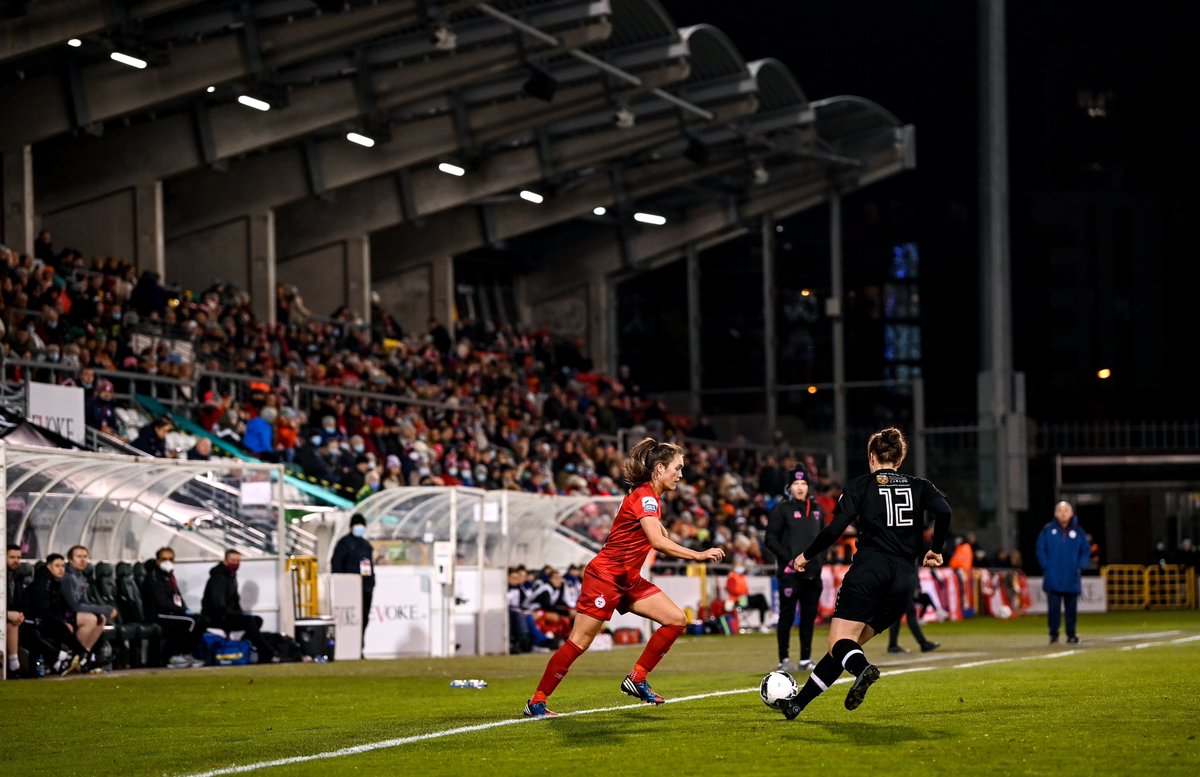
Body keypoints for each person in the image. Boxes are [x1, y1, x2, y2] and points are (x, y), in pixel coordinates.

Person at [523, 438, 726, 718]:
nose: (681, 474)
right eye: (677, 468)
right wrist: (698, 555)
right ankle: (536, 701)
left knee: (676, 620)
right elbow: (656, 541)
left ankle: (638, 678)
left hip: (628, 580)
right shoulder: (646, 497)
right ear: (659, 469)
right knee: (579, 642)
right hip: (604, 578)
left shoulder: (647, 496)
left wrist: (662, 529)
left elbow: (648, 527)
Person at [780, 428, 951, 720]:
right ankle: (797, 704)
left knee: (839, 643)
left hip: (869, 571)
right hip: (903, 580)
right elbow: (944, 511)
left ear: (872, 456)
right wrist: (934, 549)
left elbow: (835, 529)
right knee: (847, 647)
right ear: (901, 457)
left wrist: (805, 556)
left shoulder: (861, 485)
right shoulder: (920, 485)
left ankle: (862, 670)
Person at [765, 471, 826, 672]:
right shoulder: (782, 509)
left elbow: (825, 540)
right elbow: (770, 539)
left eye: (803, 483)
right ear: (789, 487)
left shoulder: (818, 509)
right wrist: (790, 560)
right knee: (787, 617)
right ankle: (784, 659)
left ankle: (805, 659)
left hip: (813, 574)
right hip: (790, 573)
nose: (800, 487)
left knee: (809, 618)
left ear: (809, 487)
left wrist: (819, 561)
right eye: (796, 483)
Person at [1036, 501, 1090, 645]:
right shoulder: (1047, 530)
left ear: (1071, 513)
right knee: (1053, 609)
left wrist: (1080, 566)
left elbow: (1085, 550)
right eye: (1060, 510)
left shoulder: (1078, 531)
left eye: (1066, 510)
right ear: (1055, 513)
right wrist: (1047, 566)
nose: (1063, 513)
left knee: (1071, 610)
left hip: (1072, 577)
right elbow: (1040, 549)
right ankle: (1054, 635)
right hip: (1053, 577)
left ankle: (1071, 635)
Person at [141, 547, 205, 668]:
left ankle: (186, 654)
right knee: (190, 622)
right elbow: (160, 602)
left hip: (171, 612)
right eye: (164, 559)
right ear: (157, 561)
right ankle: (172, 655)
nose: (168, 562)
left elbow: (177, 596)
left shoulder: (169, 576)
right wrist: (182, 610)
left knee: (200, 620)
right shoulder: (153, 577)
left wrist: (185, 608)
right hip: (158, 614)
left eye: (171, 559)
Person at [61, 545, 118, 673]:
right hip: (65, 615)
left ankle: (83, 656)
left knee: (100, 619)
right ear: (70, 559)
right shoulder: (68, 577)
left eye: (85, 557)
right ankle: (77, 655)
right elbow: (74, 605)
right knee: (90, 619)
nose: (82, 560)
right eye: (78, 557)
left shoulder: (81, 577)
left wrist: (101, 611)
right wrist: (105, 609)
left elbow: (85, 601)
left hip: (75, 613)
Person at [25, 554, 82, 676]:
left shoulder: (56, 582)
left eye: (63, 566)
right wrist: (60, 621)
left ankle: (72, 657)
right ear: (49, 567)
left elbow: (56, 608)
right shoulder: (42, 582)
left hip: (44, 619)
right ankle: (79, 655)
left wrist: (62, 621)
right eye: (57, 566)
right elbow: (41, 608)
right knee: (59, 626)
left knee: (62, 626)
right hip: (31, 620)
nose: (61, 569)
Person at [331, 514, 375, 644]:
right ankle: (349, 645)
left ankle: (359, 645)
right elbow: (336, 565)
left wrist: (371, 584)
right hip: (348, 589)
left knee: (364, 617)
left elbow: (369, 567)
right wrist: (341, 584)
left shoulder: (366, 545)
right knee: (350, 619)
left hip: (365, 587)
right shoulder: (344, 544)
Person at [201, 550, 262, 643]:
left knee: (256, 620)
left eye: (238, 561)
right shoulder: (219, 578)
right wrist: (236, 614)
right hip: (215, 617)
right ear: (225, 561)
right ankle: (266, 652)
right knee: (250, 622)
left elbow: (234, 601)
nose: (236, 563)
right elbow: (218, 605)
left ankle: (241, 646)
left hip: (225, 615)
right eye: (233, 560)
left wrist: (239, 613)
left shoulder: (230, 577)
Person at [887, 567, 940, 654]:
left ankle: (893, 645)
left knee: (898, 617)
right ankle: (923, 644)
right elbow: (910, 571)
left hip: (901, 587)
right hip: (904, 588)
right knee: (909, 615)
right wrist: (915, 587)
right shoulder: (908, 555)